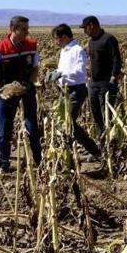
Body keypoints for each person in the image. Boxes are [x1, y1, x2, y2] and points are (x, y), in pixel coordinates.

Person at [0, 16, 42, 170]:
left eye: (27, 28)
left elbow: (35, 68)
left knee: (32, 126)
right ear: (13, 29)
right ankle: (4, 164)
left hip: (26, 89)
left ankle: (39, 161)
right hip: (6, 92)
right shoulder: (0, 49)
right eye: (23, 29)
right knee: (4, 128)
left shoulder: (31, 46)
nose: (27, 32)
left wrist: (30, 83)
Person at [48, 24, 101, 160]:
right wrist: (55, 73)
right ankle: (75, 149)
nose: (55, 42)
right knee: (64, 121)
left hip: (77, 89)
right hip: (65, 91)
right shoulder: (64, 51)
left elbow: (80, 72)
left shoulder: (77, 50)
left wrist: (62, 74)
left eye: (56, 39)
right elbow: (64, 69)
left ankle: (93, 150)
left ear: (64, 37)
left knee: (67, 122)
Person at [81, 16, 123, 137]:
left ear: (91, 25)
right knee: (95, 111)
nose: (84, 31)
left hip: (106, 82)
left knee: (107, 112)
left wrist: (113, 78)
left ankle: (111, 138)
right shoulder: (91, 42)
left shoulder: (108, 39)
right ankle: (101, 137)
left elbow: (117, 59)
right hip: (93, 83)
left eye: (85, 28)